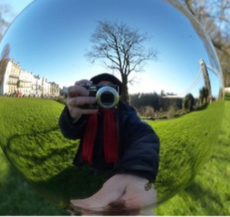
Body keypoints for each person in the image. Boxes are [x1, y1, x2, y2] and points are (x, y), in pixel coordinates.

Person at [58, 73, 160, 215]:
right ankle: (96, 170)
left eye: (111, 89)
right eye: (99, 88)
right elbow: (69, 133)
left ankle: (107, 173)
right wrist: (71, 116)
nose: (105, 92)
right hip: (92, 160)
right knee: (95, 170)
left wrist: (134, 171)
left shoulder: (125, 113)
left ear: (117, 94)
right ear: (91, 92)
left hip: (115, 165)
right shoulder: (85, 111)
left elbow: (144, 135)